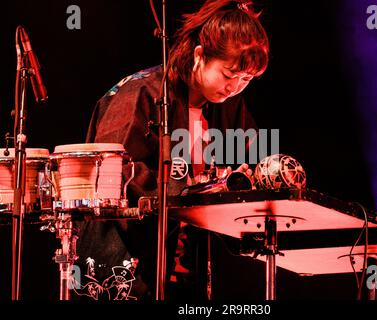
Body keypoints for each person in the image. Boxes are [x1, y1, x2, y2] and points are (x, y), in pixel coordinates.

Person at [74, 0, 269, 301]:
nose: (236, 87)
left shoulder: (229, 107)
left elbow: (252, 163)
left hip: (184, 267)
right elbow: (111, 171)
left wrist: (242, 181)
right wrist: (192, 191)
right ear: (200, 56)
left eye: (247, 80)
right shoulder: (140, 93)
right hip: (124, 260)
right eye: (230, 75)